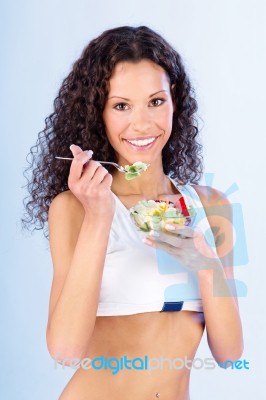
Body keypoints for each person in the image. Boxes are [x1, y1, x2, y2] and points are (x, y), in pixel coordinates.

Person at [23, 26, 243, 399]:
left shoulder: (212, 205)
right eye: (121, 105)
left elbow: (230, 355)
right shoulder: (73, 208)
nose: (142, 124)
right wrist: (98, 217)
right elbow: (64, 350)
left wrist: (205, 263)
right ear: (99, 112)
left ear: (174, 99)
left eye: (155, 101)